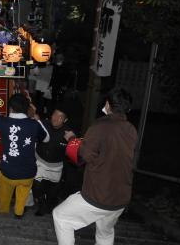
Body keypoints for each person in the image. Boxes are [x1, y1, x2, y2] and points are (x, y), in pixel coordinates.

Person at [52, 88, 137, 245]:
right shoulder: (131, 129)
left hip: (99, 195)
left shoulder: (100, 126)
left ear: (107, 104)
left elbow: (84, 155)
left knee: (61, 216)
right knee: (105, 232)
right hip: (121, 197)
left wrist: (72, 140)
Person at [0, 94, 49, 218]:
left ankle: (3, 209)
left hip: (7, 171)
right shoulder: (34, 124)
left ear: (10, 108)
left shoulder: (2, 121)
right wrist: (37, 119)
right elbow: (46, 139)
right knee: (23, 194)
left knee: (4, 193)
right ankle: (18, 212)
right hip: (28, 172)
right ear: (27, 109)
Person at [33, 103, 71, 216]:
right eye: (55, 114)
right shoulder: (43, 124)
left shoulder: (68, 133)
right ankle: (41, 205)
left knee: (52, 191)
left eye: (60, 117)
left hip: (56, 166)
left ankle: (50, 204)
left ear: (65, 120)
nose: (56, 118)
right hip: (40, 161)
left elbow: (76, 153)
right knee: (37, 185)